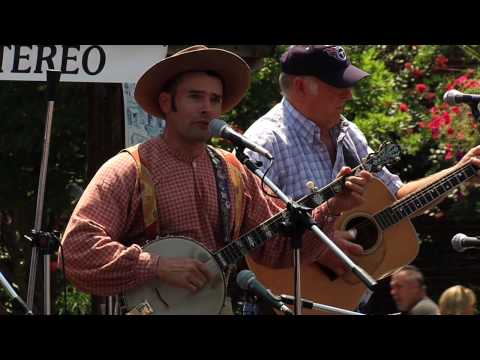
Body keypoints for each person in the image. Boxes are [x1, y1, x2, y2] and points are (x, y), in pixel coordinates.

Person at [59, 45, 372, 315]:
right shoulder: (130, 168)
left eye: (215, 99)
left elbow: (277, 250)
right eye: (195, 97)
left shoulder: (233, 169)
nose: (207, 108)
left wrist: (330, 207)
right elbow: (77, 250)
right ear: (167, 103)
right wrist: (155, 266)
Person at [243, 45, 480, 311]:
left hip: (345, 302)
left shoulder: (348, 133)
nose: (349, 95)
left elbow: (397, 199)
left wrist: (462, 170)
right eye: (337, 85)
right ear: (300, 86)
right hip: (286, 303)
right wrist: (318, 247)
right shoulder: (264, 142)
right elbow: (248, 233)